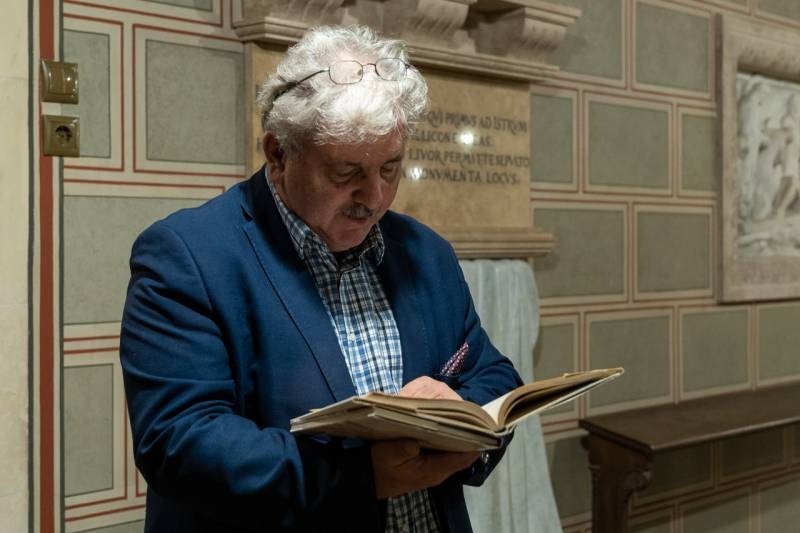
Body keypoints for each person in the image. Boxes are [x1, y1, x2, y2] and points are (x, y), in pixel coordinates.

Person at [120, 25, 522, 533]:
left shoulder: (426, 252)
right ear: (278, 154)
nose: (374, 197)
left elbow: (493, 375)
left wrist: (461, 412)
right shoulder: (187, 256)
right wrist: (358, 476)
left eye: (390, 168)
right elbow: (178, 443)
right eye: (345, 173)